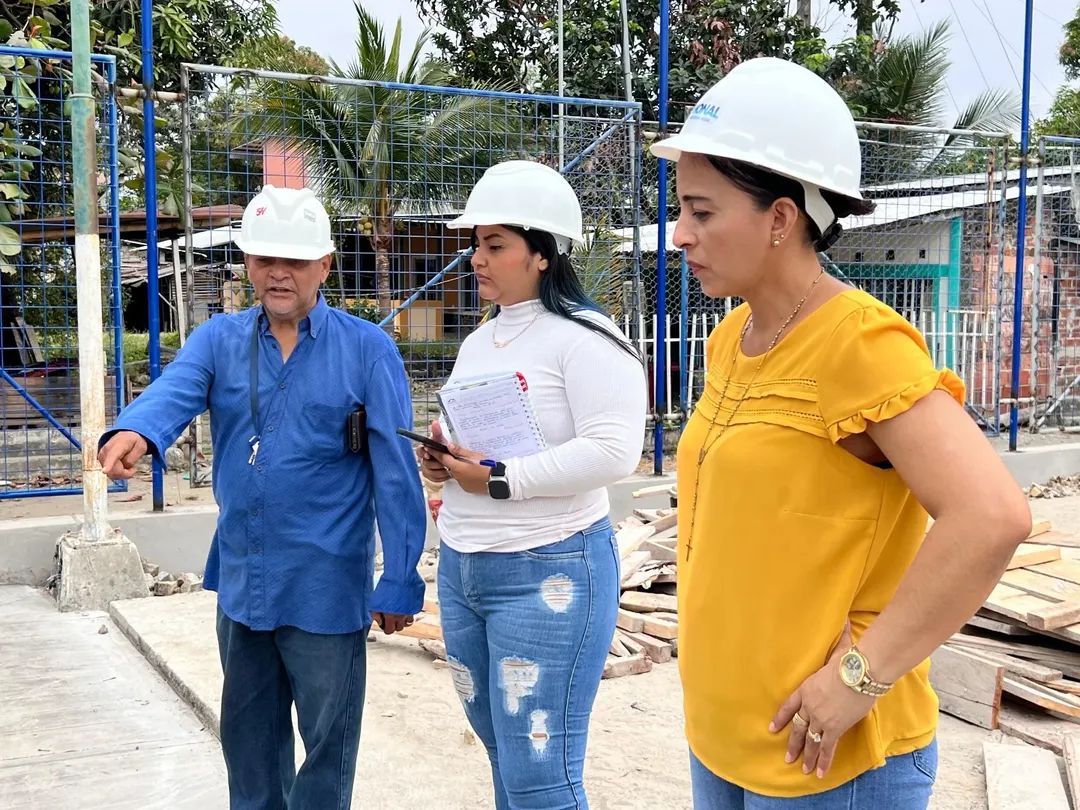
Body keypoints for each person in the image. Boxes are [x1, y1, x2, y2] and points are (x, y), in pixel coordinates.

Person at [651, 58, 1032, 808]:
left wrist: (861, 676)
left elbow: (992, 516)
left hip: (826, 762)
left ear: (780, 219)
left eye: (701, 211)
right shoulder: (732, 338)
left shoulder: (859, 343)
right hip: (725, 738)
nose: (680, 234)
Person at [97, 185, 427, 810]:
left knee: (327, 750)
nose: (279, 273)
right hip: (245, 581)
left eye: (295, 260)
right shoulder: (219, 340)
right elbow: (175, 389)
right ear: (247, 263)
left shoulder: (366, 349)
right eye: (265, 258)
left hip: (326, 584)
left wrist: (401, 575)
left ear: (325, 265)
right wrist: (136, 430)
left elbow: (394, 473)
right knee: (248, 747)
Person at [417, 160, 648, 809]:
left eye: (495, 245)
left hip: (549, 569)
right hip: (465, 570)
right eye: (476, 244)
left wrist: (498, 481)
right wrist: (442, 462)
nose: (476, 259)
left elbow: (613, 451)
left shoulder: (587, 338)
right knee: (504, 755)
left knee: (541, 776)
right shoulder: (482, 341)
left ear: (542, 253)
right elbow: (475, 442)